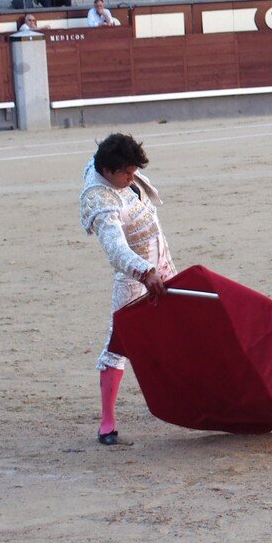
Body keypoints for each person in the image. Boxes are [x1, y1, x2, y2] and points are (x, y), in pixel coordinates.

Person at [80, 134, 175, 445]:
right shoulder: (100, 199)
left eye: (135, 171)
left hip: (161, 262)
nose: (133, 178)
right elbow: (115, 248)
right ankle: (107, 423)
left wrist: (156, 269)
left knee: (180, 328)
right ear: (108, 171)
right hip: (135, 276)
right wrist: (144, 272)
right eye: (127, 173)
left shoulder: (117, 173)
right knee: (116, 345)